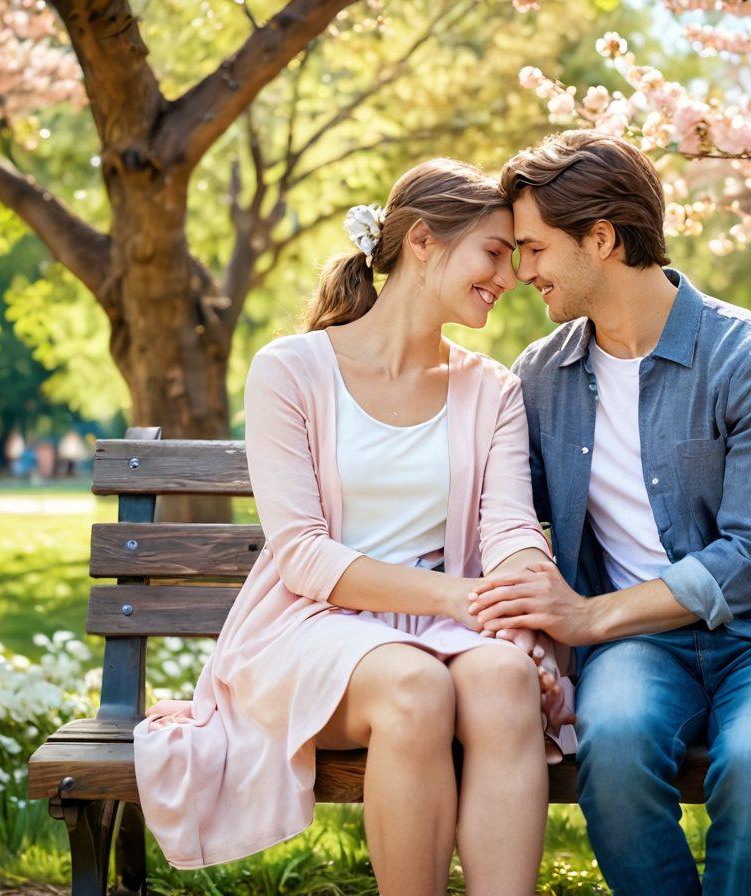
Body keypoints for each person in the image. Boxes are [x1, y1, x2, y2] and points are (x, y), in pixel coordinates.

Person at [468, 131, 751, 896]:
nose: (522, 271)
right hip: (641, 648)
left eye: (533, 249)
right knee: (614, 749)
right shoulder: (541, 376)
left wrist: (589, 617)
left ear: (601, 239)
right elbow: (501, 511)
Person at [133, 158, 574, 894]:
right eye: (495, 253)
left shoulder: (491, 389)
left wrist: (524, 610)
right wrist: (467, 601)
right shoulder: (290, 370)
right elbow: (303, 556)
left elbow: (510, 530)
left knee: (504, 680)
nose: (510, 276)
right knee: (413, 686)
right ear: (424, 241)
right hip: (311, 623)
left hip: (446, 624)